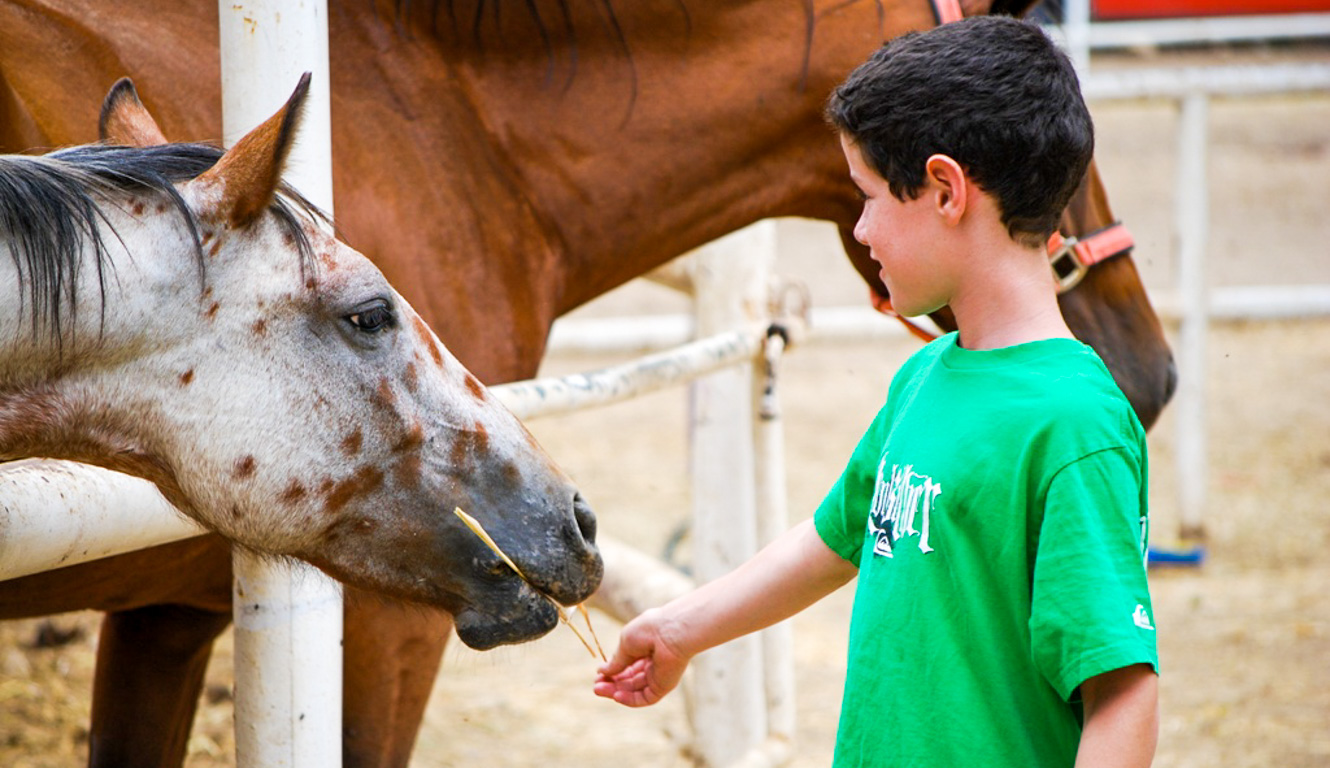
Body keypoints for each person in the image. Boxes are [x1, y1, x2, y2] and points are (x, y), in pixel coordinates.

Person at [592, 15, 1159, 768]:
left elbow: (1123, 692)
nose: (860, 230)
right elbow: (836, 537)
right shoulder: (925, 376)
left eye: (867, 197)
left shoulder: (1074, 426)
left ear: (945, 189)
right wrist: (679, 629)